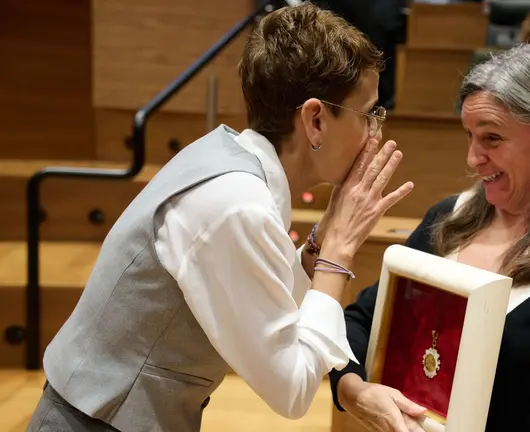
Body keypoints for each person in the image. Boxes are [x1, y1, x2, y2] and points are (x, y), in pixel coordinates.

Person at [26, 4, 413, 432]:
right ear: (316, 120)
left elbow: (269, 299)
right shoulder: (236, 203)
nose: (376, 133)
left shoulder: (232, 163)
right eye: (370, 114)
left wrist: (322, 242)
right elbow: (293, 389)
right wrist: (338, 252)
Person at [329, 44, 530, 432]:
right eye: (469, 136)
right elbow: (361, 321)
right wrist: (355, 392)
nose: (474, 158)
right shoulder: (448, 218)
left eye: (492, 138)